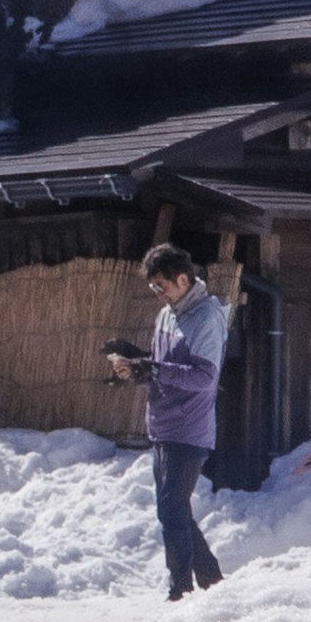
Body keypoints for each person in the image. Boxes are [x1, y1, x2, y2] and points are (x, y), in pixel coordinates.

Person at [109, 241, 230, 601]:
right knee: (175, 510)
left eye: (161, 286)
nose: (158, 294)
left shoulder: (206, 317)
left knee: (171, 510)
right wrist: (134, 364)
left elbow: (203, 378)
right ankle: (213, 584)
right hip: (162, 424)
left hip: (189, 429)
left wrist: (156, 368)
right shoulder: (168, 313)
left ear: (182, 279)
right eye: (153, 288)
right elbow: (162, 369)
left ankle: (180, 591)